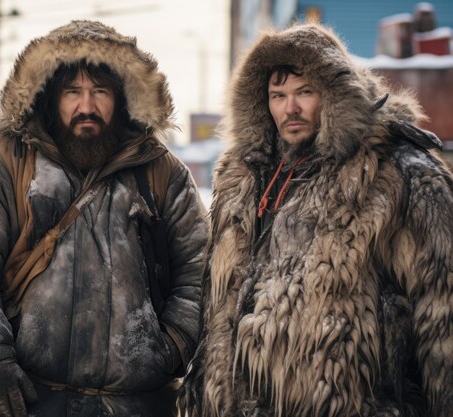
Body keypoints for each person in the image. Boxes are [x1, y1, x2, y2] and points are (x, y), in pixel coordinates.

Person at [0, 20, 208, 417]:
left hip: (137, 405)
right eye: (73, 92)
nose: (86, 107)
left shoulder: (161, 172)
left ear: (123, 97)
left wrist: (170, 346)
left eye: (100, 92)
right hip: (27, 401)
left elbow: (199, 271)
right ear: (48, 96)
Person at [179, 23, 453, 417]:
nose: (290, 109)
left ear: (334, 92)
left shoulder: (399, 172)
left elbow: (442, 316)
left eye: (304, 92)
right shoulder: (243, 179)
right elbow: (218, 309)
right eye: (278, 96)